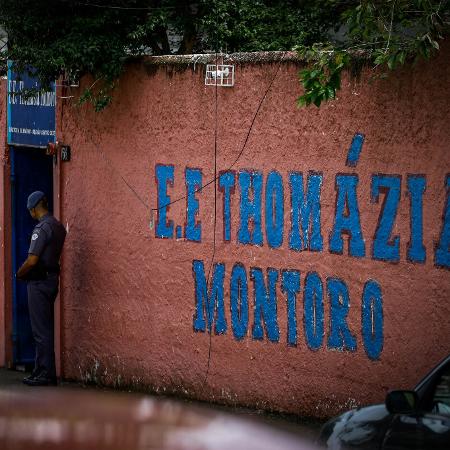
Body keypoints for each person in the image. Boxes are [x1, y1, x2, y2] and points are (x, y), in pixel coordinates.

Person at [16, 191, 66, 386]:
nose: (30, 214)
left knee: (40, 330)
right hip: (52, 279)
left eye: (30, 210)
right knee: (44, 328)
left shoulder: (42, 228)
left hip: (39, 282)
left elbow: (32, 260)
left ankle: (45, 373)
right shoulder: (58, 226)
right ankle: (40, 370)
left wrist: (19, 273)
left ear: (34, 208)